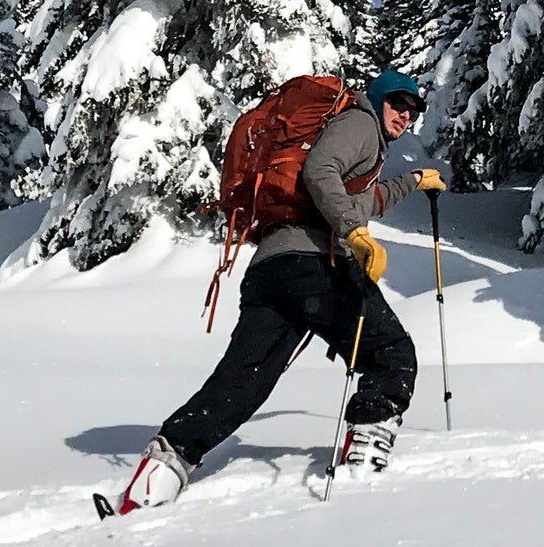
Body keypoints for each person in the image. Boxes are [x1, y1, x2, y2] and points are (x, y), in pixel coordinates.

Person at [115, 68, 446, 513]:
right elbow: (320, 170)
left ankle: (165, 466)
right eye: (398, 104)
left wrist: (413, 181)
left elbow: (359, 199)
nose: (405, 116)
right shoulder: (360, 123)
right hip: (315, 265)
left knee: (245, 379)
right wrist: (355, 234)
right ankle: (364, 467)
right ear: (379, 98)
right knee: (391, 353)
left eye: (413, 110)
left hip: (273, 269)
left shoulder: (363, 145)